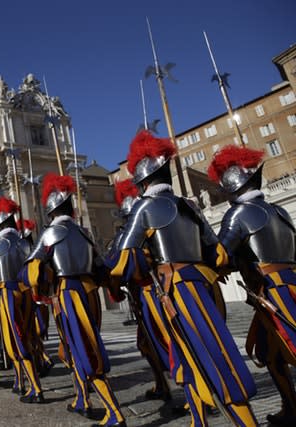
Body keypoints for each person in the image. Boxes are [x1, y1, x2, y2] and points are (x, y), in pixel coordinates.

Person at [109, 130, 258, 426]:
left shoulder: (144, 206)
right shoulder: (188, 205)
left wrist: (106, 273)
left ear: (142, 182)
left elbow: (123, 260)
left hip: (174, 291)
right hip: (203, 285)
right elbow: (218, 253)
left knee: (206, 357)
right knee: (200, 354)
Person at [22, 173, 123, 424]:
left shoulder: (50, 233)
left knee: (83, 349)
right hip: (91, 294)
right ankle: (82, 398)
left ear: (52, 211)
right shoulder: (85, 232)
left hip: (68, 294)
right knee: (77, 346)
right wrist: (113, 289)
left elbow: (32, 273)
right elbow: (101, 268)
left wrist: (38, 293)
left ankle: (114, 412)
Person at [208, 145, 296, 426]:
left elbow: (220, 254)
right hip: (289, 281)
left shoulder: (238, 214)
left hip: (272, 290)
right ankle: (291, 407)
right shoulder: (279, 210)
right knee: (269, 354)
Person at [107, 179, 172, 403]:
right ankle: (162, 384)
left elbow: (116, 265)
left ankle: (198, 391)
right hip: (167, 287)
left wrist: (115, 290)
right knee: (147, 343)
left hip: (149, 295)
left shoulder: (128, 235)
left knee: (167, 341)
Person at [0, 197, 43, 403]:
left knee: (15, 340)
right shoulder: (25, 242)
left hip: (7, 293)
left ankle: (35, 388)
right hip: (27, 293)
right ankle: (20, 381)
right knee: (28, 336)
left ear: (0, 226)